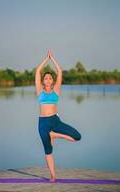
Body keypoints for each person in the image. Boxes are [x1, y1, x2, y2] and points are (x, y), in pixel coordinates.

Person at [35, 49, 81, 182]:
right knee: (48, 150)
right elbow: (38, 71)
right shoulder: (39, 91)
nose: (48, 79)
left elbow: (60, 71)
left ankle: (55, 135)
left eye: (50, 77)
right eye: (46, 77)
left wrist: (52, 58)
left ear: (52, 80)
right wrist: (45, 59)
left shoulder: (56, 90)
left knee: (77, 137)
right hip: (43, 123)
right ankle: (53, 175)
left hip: (55, 121)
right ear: (43, 81)